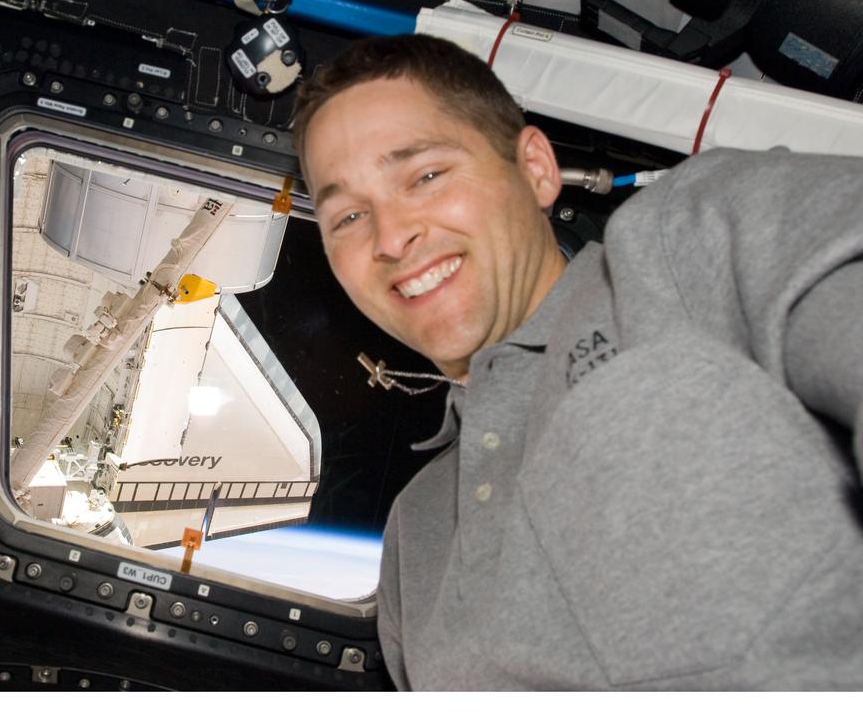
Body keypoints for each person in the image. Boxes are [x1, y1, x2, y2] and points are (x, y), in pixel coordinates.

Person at [292, 34, 863, 690]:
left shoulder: (681, 247)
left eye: (425, 175)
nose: (391, 238)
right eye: (348, 218)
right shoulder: (413, 537)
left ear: (535, 168)